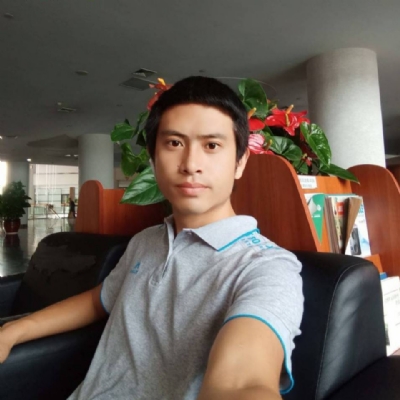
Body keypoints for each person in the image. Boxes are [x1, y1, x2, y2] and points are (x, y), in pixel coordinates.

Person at [0, 76, 303, 400]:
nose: (191, 165)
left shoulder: (267, 268)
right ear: (153, 160)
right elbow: (98, 300)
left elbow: (243, 382)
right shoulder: (146, 241)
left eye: (212, 145)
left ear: (240, 162)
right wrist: (14, 330)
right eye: (174, 143)